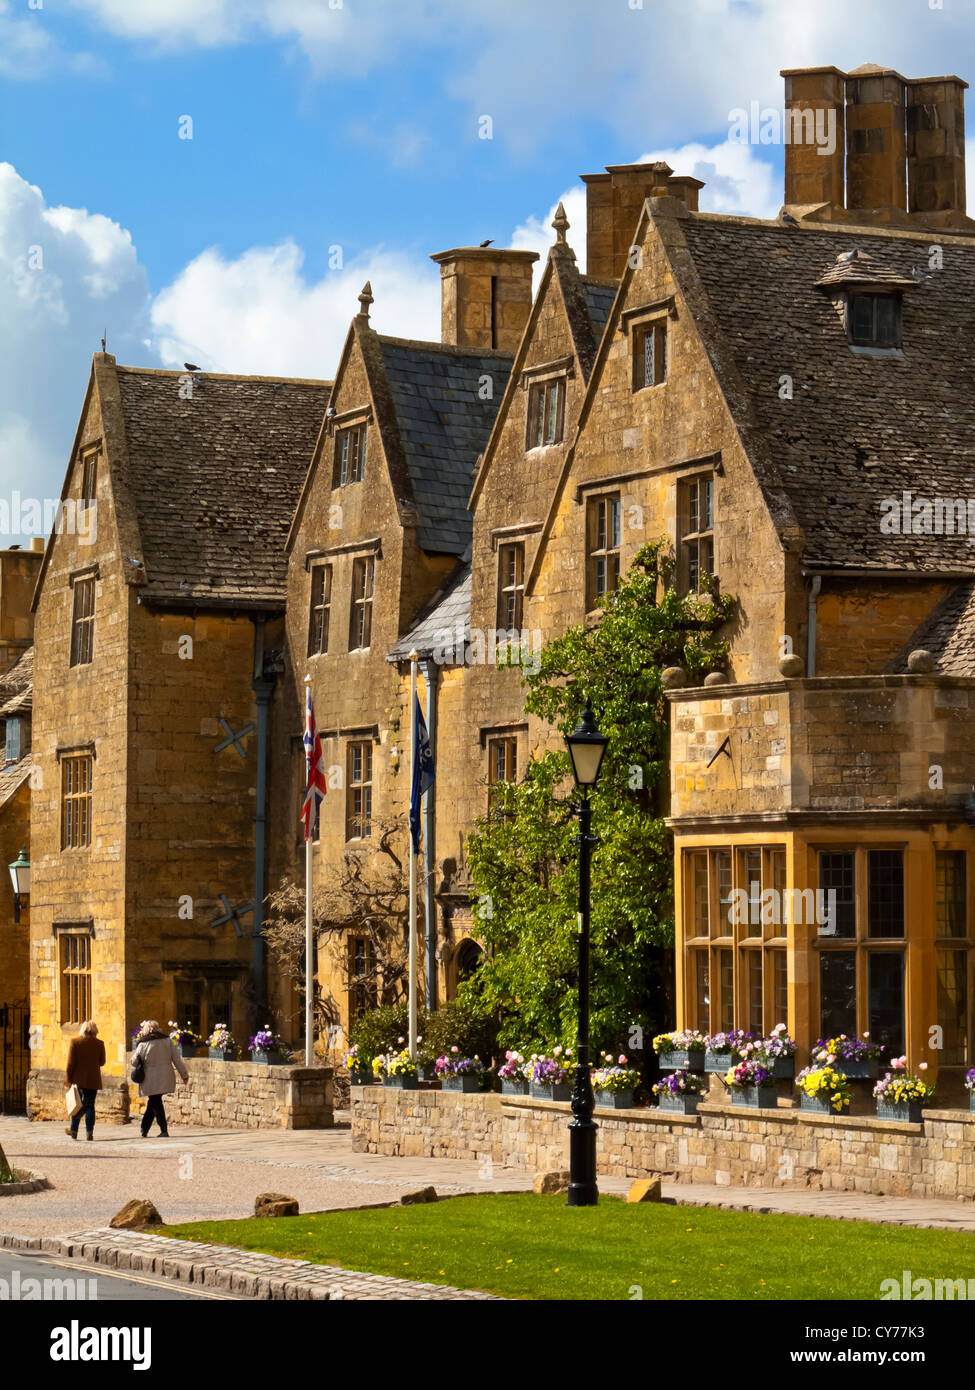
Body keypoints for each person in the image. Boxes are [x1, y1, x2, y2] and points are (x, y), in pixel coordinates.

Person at [131, 1021, 188, 1138]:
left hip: (150, 1077)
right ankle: (144, 1128)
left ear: (147, 1030)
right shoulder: (167, 1041)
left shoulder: (143, 1044)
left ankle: (163, 1129)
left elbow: (134, 1061)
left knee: (155, 1102)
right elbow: (177, 1059)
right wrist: (184, 1075)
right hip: (165, 1075)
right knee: (154, 1101)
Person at [65, 1020, 105, 1142]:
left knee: (79, 1105)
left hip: (79, 1079)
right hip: (94, 1080)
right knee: (90, 1106)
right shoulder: (100, 1043)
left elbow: (70, 1063)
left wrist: (68, 1079)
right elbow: (102, 1062)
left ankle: (74, 1130)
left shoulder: (75, 1042)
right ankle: (89, 1133)